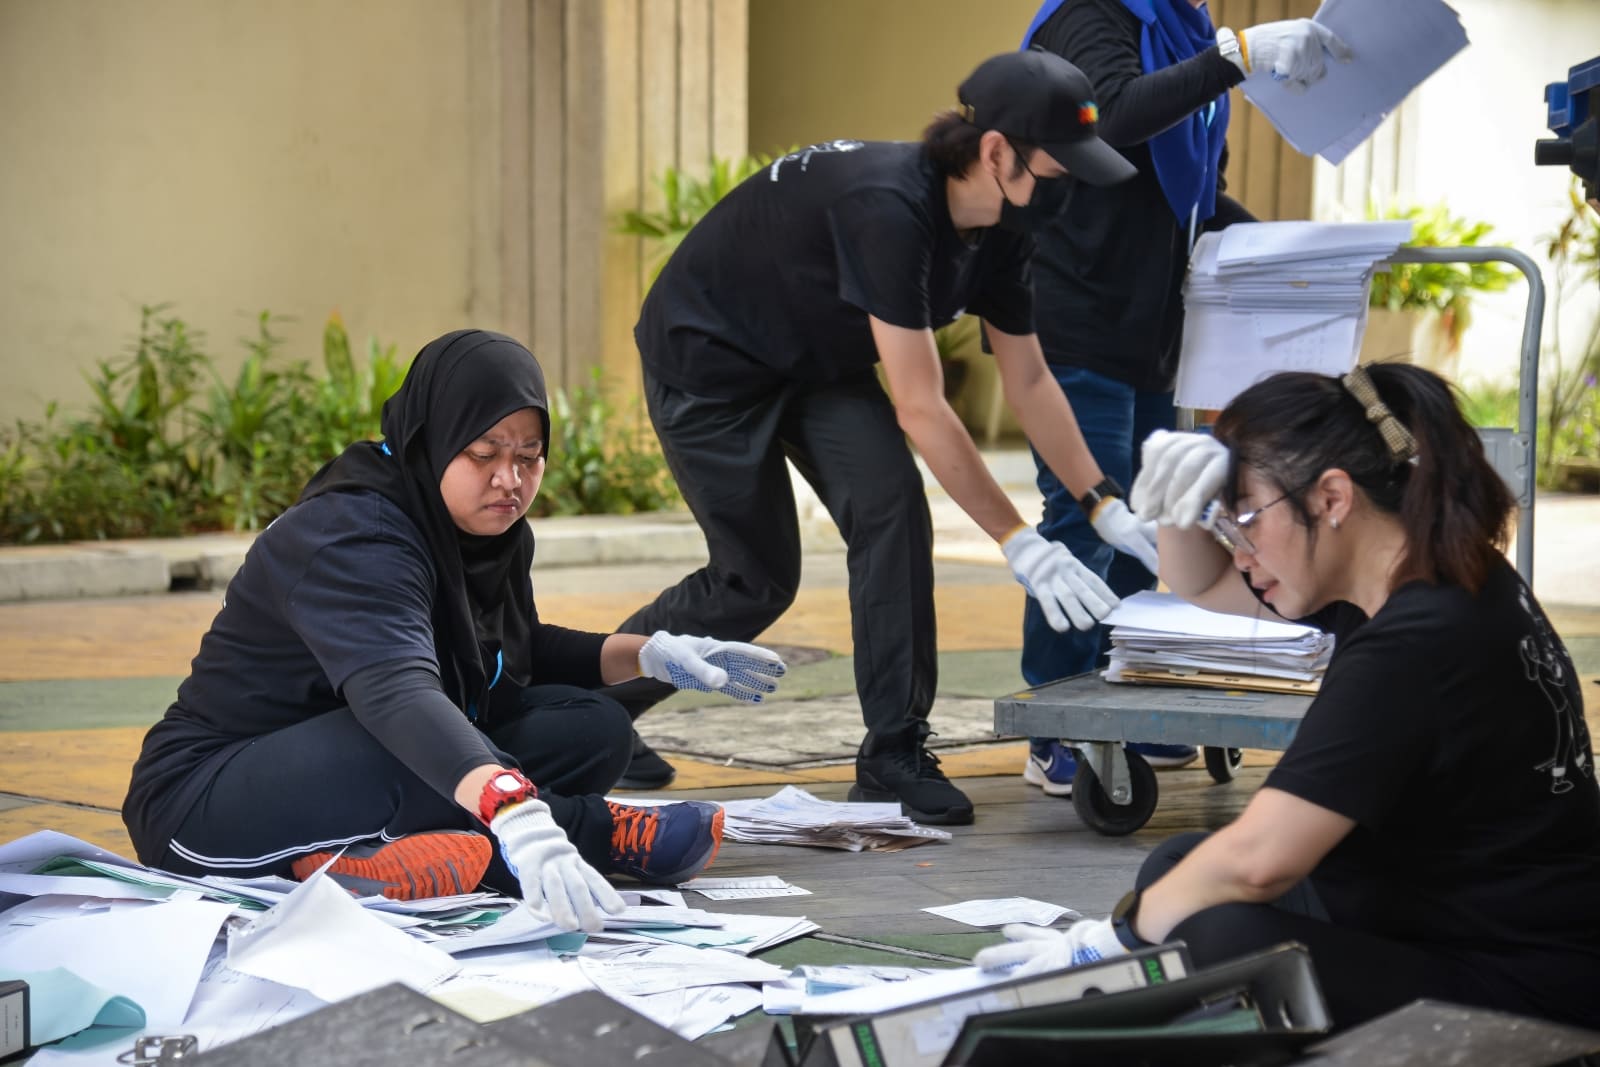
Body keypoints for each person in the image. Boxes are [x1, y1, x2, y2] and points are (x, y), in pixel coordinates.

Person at [603, 49, 1162, 826]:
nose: (1068, 189)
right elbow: (922, 406)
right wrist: (1016, 540)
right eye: (1058, 169)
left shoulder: (1005, 228)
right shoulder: (889, 207)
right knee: (756, 577)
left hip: (818, 359)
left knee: (894, 507)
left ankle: (893, 751)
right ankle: (590, 707)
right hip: (711, 361)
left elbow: (1030, 380)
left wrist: (1102, 504)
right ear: (995, 152)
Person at [975, 364, 1600, 1031]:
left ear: (1331, 498)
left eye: (1245, 516)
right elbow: (1205, 586)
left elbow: (1259, 862)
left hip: (1521, 985)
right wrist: (1181, 508)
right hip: (1443, 912)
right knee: (1178, 872)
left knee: (1215, 940)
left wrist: (1109, 945)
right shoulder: (1431, 569)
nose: (1238, 549)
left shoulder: (1416, 644)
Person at [121, 329, 787, 933]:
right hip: (202, 801)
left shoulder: (486, 532)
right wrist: (516, 811)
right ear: (434, 438)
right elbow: (395, 694)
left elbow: (514, 653)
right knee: (404, 741)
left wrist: (651, 654)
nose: (511, 479)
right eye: (484, 453)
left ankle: (364, 859)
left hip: (359, 758)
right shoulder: (354, 535)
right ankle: (593, 834)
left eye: (530, 456)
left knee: (592, 727)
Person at [1014, 0, 1352, 795]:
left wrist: (1303, 252)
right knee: (1082, 517)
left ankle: (1119, 700)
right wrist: (1233, 56)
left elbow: (1194, 201)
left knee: (1150, 518)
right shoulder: (1090, 18)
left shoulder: (1184, 32)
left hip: (1151, 332)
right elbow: (1120, 114)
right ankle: (1053, 721)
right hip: (1075, 320)